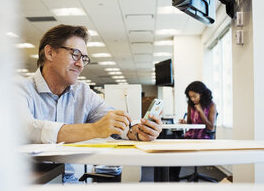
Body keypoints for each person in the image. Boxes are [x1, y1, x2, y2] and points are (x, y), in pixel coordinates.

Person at [15, 24, 162, 145]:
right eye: (75, 54)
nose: (80, 65)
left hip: (74, 181)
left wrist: (137, 131)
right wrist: (94, 129)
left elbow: (111, 120)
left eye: (84, 58)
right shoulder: (19, 88)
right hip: (35, 180)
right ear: (50, 53)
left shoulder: (82, 92)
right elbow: (28, 129)